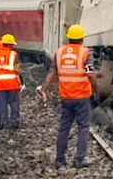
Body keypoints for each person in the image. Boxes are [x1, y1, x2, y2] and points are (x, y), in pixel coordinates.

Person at [40, 24, 97, 169]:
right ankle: (79, 159)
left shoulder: (59, 52)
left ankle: (60, 160)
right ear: (82, 38)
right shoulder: (86, 53)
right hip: (82, 96)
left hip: (66, 96)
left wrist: (44, 89)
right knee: (83, 127)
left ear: (69, 38)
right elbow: (90, 74)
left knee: (64, 128)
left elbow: (52, 72)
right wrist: (96, 89)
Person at [0, 34, 21, 129]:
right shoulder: (14, 54)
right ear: (9, 45)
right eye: (12, 45)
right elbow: (16, 69)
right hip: (12, 83)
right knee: (14, 103)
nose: (13, 46)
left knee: (2, 103)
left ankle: (3, 122)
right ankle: (14, 121)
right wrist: (20, 80)